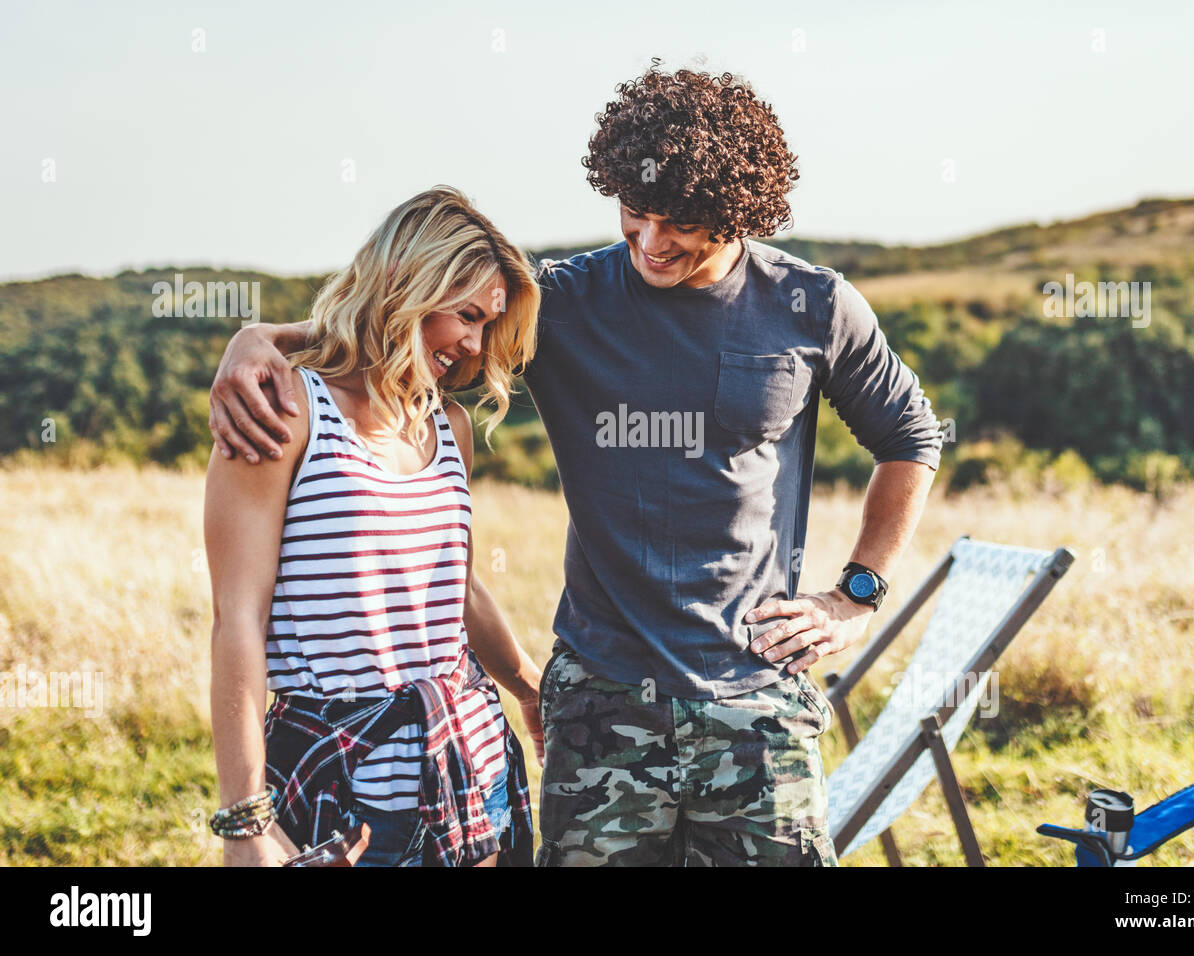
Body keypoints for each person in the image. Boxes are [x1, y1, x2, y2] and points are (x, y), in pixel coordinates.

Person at [208, 63, 943, 866]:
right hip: (601, 706)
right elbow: (407, 327)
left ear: (738, 213)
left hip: (758, 703)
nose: (651, 243)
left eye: (680, 225)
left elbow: (910, 437)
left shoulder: (814, 307)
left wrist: (855, 596)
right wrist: (261, 341)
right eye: (636, 213)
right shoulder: (564, 304)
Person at [205, 185, 544, 867]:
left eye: (490, 324)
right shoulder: (283, 410)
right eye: (466, 315)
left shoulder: (447, 426)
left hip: (471, 769)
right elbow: (236, 618)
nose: (475, 344)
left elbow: (459, 584)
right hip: (343, 793)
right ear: (405, 283)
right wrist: (246, 824)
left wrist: (528, 687)